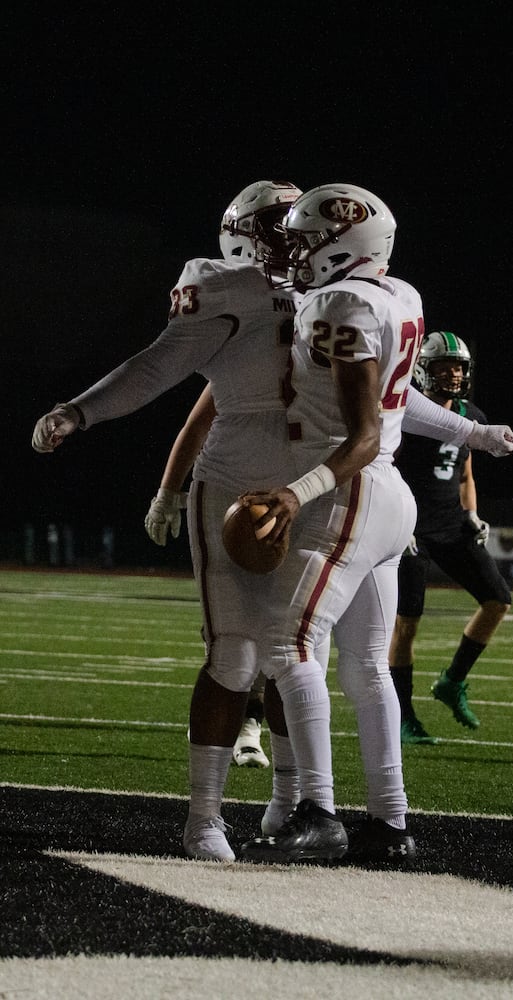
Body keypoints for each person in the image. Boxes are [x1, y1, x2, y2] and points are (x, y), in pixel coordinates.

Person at [236, 185, 513, 864]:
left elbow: (364, 432)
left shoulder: (338, 304)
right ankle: (390, 825)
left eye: (306, 242)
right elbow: (402, 401)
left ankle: (318, 810)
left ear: (346, 242)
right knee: (365, 666)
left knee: (286, 645)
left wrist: (293, 493)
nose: (294, 254)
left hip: (346, 490)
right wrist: (470, 431)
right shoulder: (400, 295)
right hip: (386, 498)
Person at [32, 179, 312, 862]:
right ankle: (203, 818)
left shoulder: (343, 291)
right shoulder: (223, 285)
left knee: (298, 657)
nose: (299, 236)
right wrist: (81, 409)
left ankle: (289, 806)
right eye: (284, 224)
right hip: (241, 478)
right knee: (235, 651)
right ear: (247, 232)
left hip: (315, 481)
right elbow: (158, 365)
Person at [388, 331, 512, 743]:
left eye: (458, 367)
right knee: (407, 625)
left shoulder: (470, 413)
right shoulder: (409, 414)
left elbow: (465, 472)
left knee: (498, 600)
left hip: (452, 524)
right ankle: (403, 716)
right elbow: (384, 466)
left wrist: (473, 514)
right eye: (444, 367)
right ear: (424, 369)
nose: (454, 374)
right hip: (412, 529)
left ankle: (452, 681)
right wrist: (395, 523)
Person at [144, 382, 270, 769]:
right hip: (228, 491)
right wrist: (167, 492)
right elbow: (195, 425)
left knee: (283, 627)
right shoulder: (247, 354)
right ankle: (241, 724)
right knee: (227, 625)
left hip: (297, 496)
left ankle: (254, 728)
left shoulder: (323, 358)